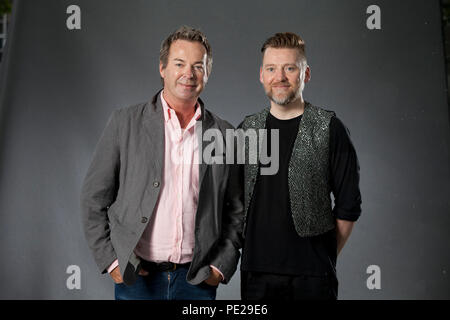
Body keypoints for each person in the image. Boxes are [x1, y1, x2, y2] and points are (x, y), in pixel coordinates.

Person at [81, 26, 244, 300]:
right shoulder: (125, 123)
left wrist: (220, 266)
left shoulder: (225, 134)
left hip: (197, 282)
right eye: (179, 64)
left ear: (207, 73)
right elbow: (92, 198)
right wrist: (110, 260)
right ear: (162, 68)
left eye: (198, 66)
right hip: (136, 279)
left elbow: (238, 210)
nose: (188, 74)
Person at [239, 32, 362, 300]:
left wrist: (323, 254)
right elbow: (233, 204)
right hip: (256, 275)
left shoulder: (330, 128)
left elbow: (348, 205)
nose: (279, 77)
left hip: (314, 277)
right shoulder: (246, 130)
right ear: (262, 75)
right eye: (271, 68)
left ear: (305, 74)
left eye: (290, 68)